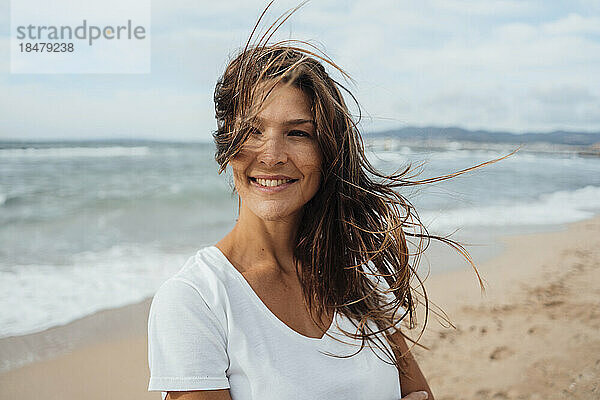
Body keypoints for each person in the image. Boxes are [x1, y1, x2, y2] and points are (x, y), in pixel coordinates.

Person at [147, 3, 517, 399]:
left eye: (298, 133)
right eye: (253, 130)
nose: (271, 155)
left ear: (328, 152)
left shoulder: (356, 274)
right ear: (227, 148)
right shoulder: (196, 300)